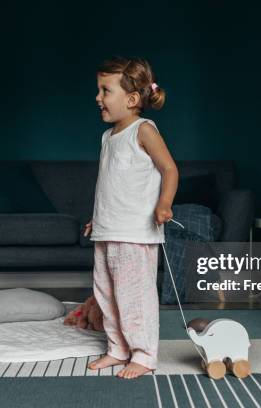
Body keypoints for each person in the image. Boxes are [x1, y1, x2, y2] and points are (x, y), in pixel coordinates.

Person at [84, 56, 179, 379]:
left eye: (105, 90)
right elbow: (109, 186)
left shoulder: (144, 130)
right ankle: (118, 348)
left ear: (132, 99)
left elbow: (169, 169)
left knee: (134, 296)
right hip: (108, 231)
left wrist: (164, 203)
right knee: (107, 294)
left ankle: (144, 353)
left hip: (136, 234)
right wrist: (97, 219)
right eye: (99, 90)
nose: (98, 98)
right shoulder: (107, 137)